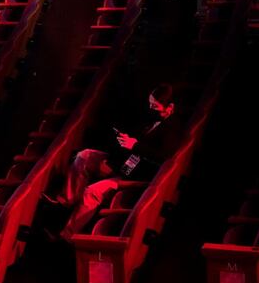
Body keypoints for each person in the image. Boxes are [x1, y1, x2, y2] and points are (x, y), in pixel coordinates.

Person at [45, 84, 182, 240]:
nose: (150, 108)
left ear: (170, 107)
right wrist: (127, 140)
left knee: (92, 192)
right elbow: (138, 141)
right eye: (150, 103)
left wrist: (135, 145)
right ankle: (65, 202)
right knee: (85, 156)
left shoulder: (173, 129)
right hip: (123, 163)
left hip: (137, 177)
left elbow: (162, 157)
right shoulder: (152, 119)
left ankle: (66, 236)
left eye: (154, 105)